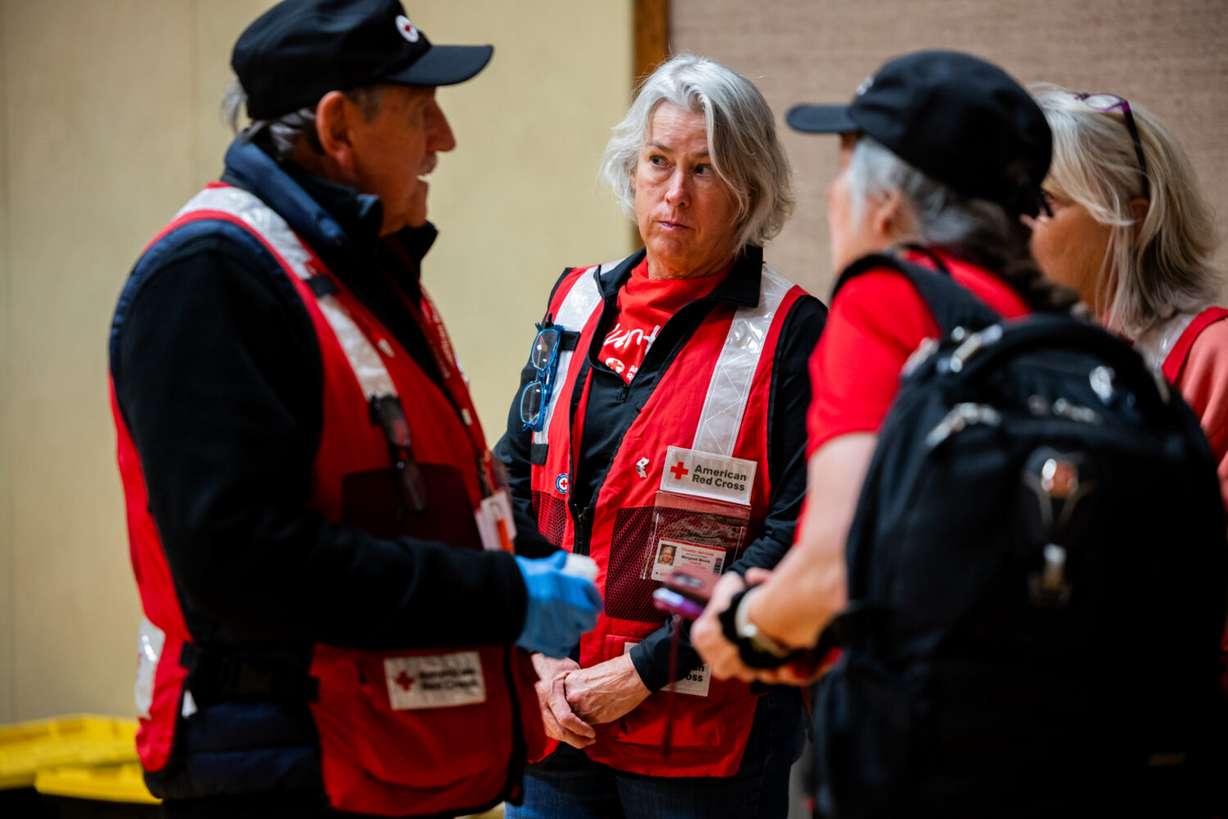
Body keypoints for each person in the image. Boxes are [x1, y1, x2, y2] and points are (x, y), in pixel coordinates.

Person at [108, 2, 600, 817]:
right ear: (338, 129)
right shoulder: (213, 275)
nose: (443, 137)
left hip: (371, 750)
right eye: (418, 110)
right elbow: (243, 564)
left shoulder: (353, 265)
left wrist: (542, 557)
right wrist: (502, 595)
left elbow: (414, 484)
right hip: (283, 762)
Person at [690, 47, 1077, 804]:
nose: (835, 197)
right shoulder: (1058, 326)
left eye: (844, 170)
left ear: (886, 203)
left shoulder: (883, 303)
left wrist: (746, 623)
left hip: (935, 766)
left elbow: (832, 572)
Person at [495, 54, 825, 818]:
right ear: (631, 169)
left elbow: (797, 533)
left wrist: (640, 670)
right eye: (658, 161)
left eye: (705, 170)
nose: (675, 192)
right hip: (559, 712)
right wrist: (538, 659)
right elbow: (512, 479)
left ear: (750, 191)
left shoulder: (793, 333)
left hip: (703, 734)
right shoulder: (575, 300)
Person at [1028, 86, 1228, 503]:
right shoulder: (1018, 346)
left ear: (1131, 221)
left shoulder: (1215, 355)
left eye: (1042, 201)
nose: (1016, 221)